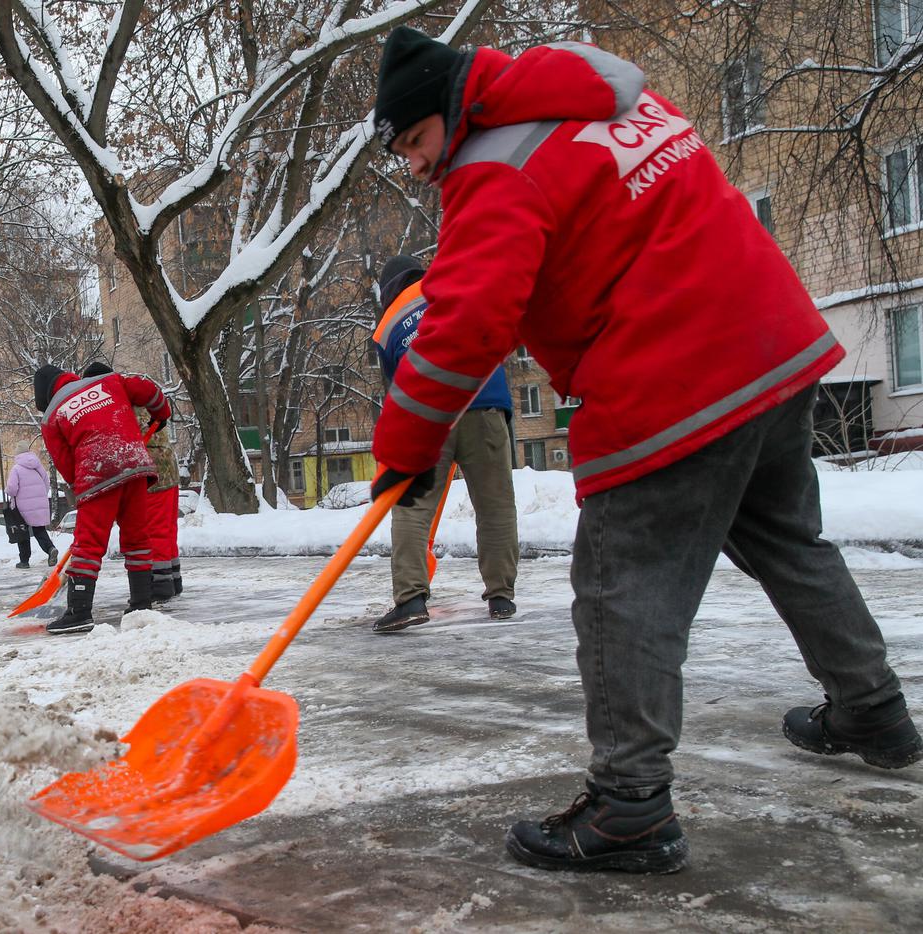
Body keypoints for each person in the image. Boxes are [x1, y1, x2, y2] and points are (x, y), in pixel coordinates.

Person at [368, 27, 920, 874]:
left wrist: (403, 446)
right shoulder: (602, 102)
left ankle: (629, 806)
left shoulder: (491, 168)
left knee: (622, 589)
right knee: (786, 540)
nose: (413, 163)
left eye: (413, 140)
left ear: (451, 108)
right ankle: (873, 711)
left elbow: (467, 323)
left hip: (675, 375)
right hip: (770, 344)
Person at [371, 255, 518, 632]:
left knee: (413, 508)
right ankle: (501, 597)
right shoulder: (458, 286)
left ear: (388, 291)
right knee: (495, 505)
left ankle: (411, 600)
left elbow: (396, 388)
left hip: (426, 412)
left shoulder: (388, 325)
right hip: (485, 399)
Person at [33, 363, 171, 634]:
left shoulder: (52, 416)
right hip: (135, 465)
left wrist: (81, 485)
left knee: (88, 545)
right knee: (137, 539)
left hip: (97, 473)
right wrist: (161, 412)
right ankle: (142, 605)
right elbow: (148, 390)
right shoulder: (110, 381)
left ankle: (80, 612)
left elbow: (65, 462)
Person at [83, 362, 183, 602]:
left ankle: (160, 585)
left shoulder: (118, 403)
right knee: (166, 529)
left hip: (151, 472)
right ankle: (172, 579)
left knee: (153, 529)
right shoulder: (134, 395)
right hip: (167, 466)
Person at [4, 439, 58, 569]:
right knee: (39, 530)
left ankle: (24, 561)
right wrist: (40, 497)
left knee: (22, 532)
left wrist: (8, 492)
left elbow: (12, 488)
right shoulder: (38, 466)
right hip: (40, 503)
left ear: (17, 455)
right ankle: (50, 549)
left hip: (22, 506)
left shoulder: (16, 469)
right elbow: (46, 483)